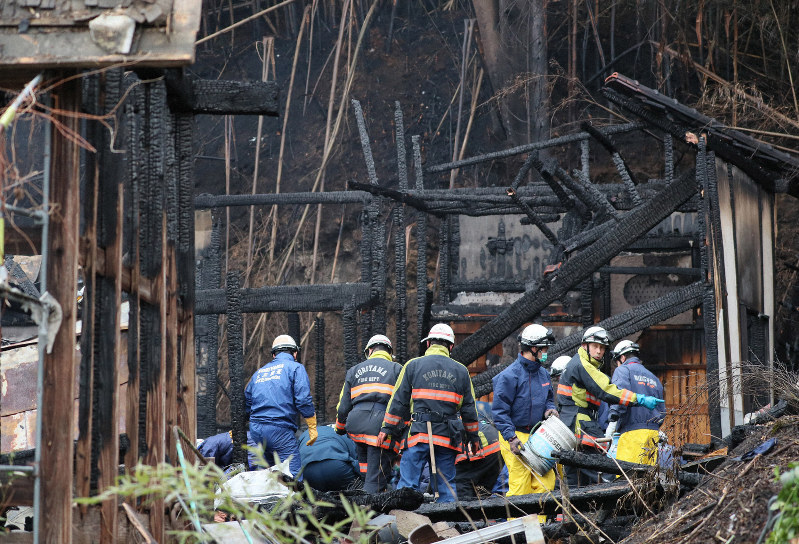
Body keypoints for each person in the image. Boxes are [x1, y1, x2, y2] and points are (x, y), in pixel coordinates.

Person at [377, 323, 481, 503]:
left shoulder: (412, 366)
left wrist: (387, 429)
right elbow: (469, 409)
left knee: (408, 487)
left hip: (418, 435)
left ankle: (403, 525)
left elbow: (398, 401)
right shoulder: (462, 371)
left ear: (428, 344)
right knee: (446, 487)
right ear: (450, 346)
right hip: (447, 438)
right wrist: (474, 438)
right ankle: (448, 527)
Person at [556, 326, 663, 486]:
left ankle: (572, 510)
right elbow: (606, 389)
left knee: (575, 475)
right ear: (584, 346)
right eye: (595, 347)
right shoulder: (582, 365)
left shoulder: (584, 365)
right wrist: (638, 398)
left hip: (574, 423)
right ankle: (592, 509)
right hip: (580, 424)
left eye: (602, 348)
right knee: (594, 470)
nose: (599, 351)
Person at [492, 324, 559, 497]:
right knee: (521, 486)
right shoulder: (510, 376)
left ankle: (541, 524)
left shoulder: (543, 374)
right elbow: (499, 412)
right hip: (515, 434)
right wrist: (511, 438)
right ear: (534, 348)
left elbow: (549, 399)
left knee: (546, 482)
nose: (547, 352)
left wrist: (550, 409)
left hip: (537, 435)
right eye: (544, 348)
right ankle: (518, 524)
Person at [334, 334, 403, 493]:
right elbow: (403, 402)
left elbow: (343, 406)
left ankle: (363, 510)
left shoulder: (354, 371)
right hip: (380, 428)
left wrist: (340, 427)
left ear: (370, 350)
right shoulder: (396, 369)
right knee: (376, 479)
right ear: (389, 351)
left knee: (366, 473)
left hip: (356, 427)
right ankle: (368, 513)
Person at [245, 334, 317, 477]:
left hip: (256, 431)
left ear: (273, 355)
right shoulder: (296, 368)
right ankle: (295, 499)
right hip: (279, 431)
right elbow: (303, 399)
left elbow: (247, 403)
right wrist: (312, 424)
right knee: (293, 474)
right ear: (295, 353)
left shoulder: (259, 373)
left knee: (267, 474)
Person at [606, 340, 666, 466]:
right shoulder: (653, 378)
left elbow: (620, 395)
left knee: (627, 477)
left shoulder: (623, 370)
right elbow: (661, 410)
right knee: (647, 479)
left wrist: (614, 414)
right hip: (653, 434)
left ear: (622, 358)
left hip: (632, 433)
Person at [454, 413, 503, 500]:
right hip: (497, 444)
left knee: (462, 479)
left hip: (482, 446)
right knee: (484, 485)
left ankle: (466, 510)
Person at [298, 426, 360, 492]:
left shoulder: (304, 434)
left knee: (317, 497)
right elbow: (356, 455)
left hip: (308, 470)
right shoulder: (342, 433)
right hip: (337, 467)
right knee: (354, 491)